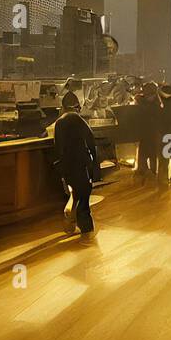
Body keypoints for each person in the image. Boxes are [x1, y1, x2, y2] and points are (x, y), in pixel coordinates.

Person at [53, 91, 99, 243]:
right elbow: (91, 142)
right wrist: (94, 165)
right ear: (77, 107)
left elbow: (57, 147)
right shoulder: (79, 120)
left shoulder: (59, 123)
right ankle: (86, 231)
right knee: (83, 197)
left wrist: (61, 170)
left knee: (77, 194)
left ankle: (71, 221)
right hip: (82, 163)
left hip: (68, 165)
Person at [134, 81, 164, 181]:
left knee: (145, 154)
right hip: (153, 133)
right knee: (152, 155)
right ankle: (151, 172)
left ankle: (146, 172)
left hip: (146, 133)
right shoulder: (158, 103)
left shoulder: (142, 102)